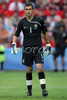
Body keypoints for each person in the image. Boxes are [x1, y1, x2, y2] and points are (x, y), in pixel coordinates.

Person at [11, 3, 51, 96]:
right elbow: (16, 34)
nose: (28, 11)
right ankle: (29, 91)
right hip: (27, 48)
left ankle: (44, 90)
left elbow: (45, 32)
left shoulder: (39, 21)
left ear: (33, 10)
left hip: (38, 47)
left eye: (30, 9)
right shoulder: (21, 22)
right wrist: (13, 43)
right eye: (26, 9)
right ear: (24, 10)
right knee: (29, 70)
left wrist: (48, 44)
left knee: (39, 68)